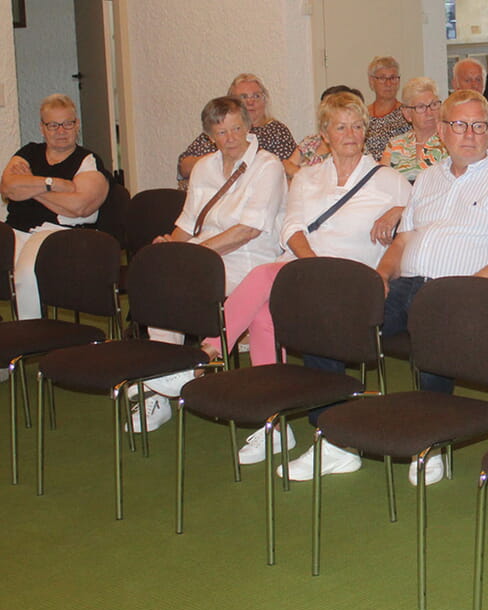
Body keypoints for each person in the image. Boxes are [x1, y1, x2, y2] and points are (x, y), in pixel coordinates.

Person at [286, 90, 488, 487]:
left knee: (434, 328)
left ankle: (431, 441)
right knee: (330, 325)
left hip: (467, 293)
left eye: (478, 126)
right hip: (407, 285)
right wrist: (380, 278)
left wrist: (457, 294)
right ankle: (335, 440)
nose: (469, 134)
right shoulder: (430, 178)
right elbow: (401, 242)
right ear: (441, 130)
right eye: (459, 124)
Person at [140, 92, 411, 447]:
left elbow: (419, 218)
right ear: (324, 134)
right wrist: (311, 265)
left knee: (262, 276)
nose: (350, 134)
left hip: (350, 279)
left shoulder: (390, 180)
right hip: (302, 266)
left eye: (357, 126)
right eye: (340, 127)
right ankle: (274, 422)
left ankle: (205, 355)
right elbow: (291, 227)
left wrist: (398, 211)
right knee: (264, 315)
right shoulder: (308, 177)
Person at [133, 95, 287, 431]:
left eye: (236, 128)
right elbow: (188, 223)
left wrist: (194, 256)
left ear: (247, 126)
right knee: (162, 286)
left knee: (189, 285)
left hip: (249, 260)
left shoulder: (268, 166)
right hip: (204, 256)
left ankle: (187, 370)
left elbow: (247, 230)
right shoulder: (203, 167)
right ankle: (164, 385)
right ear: (210, 135)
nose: (231, 137)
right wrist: (173, 249)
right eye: (221, 132)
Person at [1, 94, 109, 320]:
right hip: (15, 230)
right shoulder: (28, 153)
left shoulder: (88, 160)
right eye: (53, 125)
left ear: (76, 125)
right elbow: (9, 188)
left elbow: (79, 207)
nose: (61, 131)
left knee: (24, 274)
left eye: (67, 124)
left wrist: (31, 184)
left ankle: (30, 337)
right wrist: (54, 184)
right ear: (42, 128)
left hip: (55, 234)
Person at [176, 74, 295, 187]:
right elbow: (184, 166)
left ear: (265, 101)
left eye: (256, 96)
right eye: (243, 97)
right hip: (206, 196)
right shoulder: (216, 129)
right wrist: (218, 160)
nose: (250, 102)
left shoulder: (276, 131)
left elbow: (285, 170)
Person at [284, 84, 364, 174]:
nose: (350, 133)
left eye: (356, 126)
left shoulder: (351, 147)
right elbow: (287, 164)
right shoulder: (311, 141)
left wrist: (301, 176)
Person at [380, 76, 447, 182]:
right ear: (407, 114)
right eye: (421, 107)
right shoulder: (395, 145)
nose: (429, 112)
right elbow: (382, 183)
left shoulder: (449, 142)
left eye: (434, 105)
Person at [363, 56, 412, 160]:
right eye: (382, 78)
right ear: (372, 81)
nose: (388, 84)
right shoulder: (362, 115)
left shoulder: (408, 114)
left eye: (393, 78)